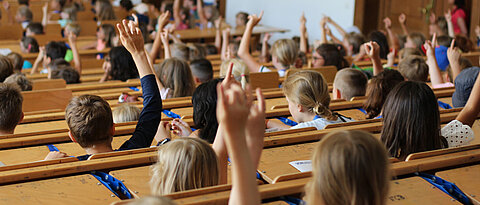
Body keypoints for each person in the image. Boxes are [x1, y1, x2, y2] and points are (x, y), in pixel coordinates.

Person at [43, 19, 162, 161]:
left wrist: (46, 164)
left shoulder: (69, 166)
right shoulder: (134, 149)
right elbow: (152, 105)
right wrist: (138, 53)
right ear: (113, 128)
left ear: (72, 137)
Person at [381, 79, 480, 160]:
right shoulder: (446, 143)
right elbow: (470, 109)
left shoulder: (379, 165)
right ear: (433, 117)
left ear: (389, 117)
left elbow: (470, 109)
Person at [267, 70, 352, 131]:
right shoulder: (348, 121)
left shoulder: (298, 132)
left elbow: (295, 130)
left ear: (299, 106)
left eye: (289, 102)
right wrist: (267, 123)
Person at [238, 11, 298, 77]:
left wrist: (249, 26)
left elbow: (242, 53)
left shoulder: (269, 75)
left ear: (276, 59)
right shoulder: (298, 74)